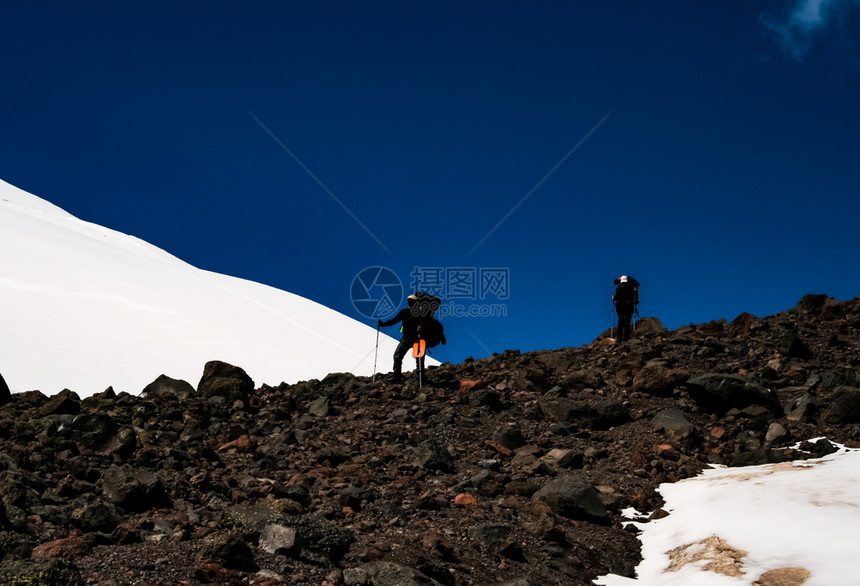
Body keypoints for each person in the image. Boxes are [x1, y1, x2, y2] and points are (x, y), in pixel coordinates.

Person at [377, 294, 425, 383]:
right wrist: (383, 324)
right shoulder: (409, 312)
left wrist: (421, 326)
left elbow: (394, 320)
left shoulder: (417, 313)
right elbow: (394, 320)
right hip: (411, 338)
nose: (409, 302)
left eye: (411, 301)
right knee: (414, 358)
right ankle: (418, 378)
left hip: (411, 338)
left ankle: (400, 378)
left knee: (399, 356)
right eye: (409, 301)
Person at [613, 275, 640, 342]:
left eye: (624, 283)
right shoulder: (621, 288)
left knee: (626, 320)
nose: (623, 284)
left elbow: (618, 298)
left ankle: (624, 337)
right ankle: (621, 337)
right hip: (622, 306)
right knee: (622, 320)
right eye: (623, 283)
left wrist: (614, 297)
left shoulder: (628, 288)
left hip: (625, 306)